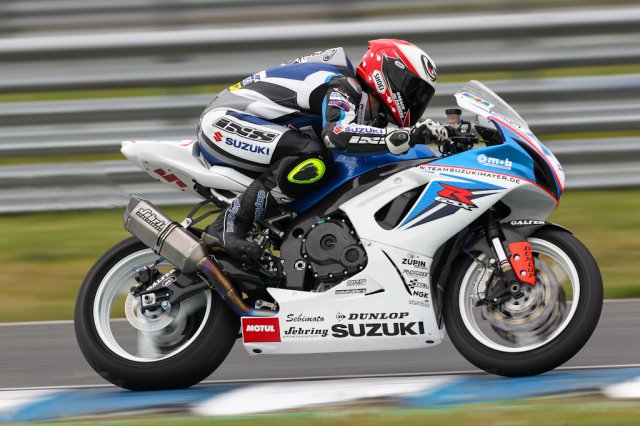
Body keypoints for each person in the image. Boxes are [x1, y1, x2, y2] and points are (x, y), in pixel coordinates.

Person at [197, 39, 449, 261]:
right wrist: (408, 136)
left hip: (251, 126)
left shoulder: (361, 103)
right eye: (413, 89)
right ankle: (227, 226)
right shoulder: (342, 85)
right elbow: (337, 135)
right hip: (224, 122)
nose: (415, 100)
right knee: (313, 157)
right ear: (389, 74)